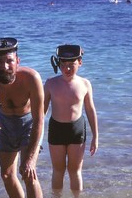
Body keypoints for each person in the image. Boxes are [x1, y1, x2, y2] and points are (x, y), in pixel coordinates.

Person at [0, 37, 44, 198]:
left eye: (9, 61)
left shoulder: (32, 79)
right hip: (4, 123)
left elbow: (39, 119)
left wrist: (31, 159)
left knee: (28, 173)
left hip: (29, 123)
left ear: (17, 61)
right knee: (6, 175)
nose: (4, 66)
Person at [44, 45, 99, 197]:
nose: (67, 69)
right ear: (58, 63)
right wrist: (36, 134)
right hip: (56, 129)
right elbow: (42, 111)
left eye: (71, 65)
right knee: (58, 170)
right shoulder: (50, 83)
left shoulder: (85, 84)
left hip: (76, 129)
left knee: (75, 170)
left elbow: (90, 110)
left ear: (80, 62)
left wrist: (96, 136)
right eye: (63, 65)